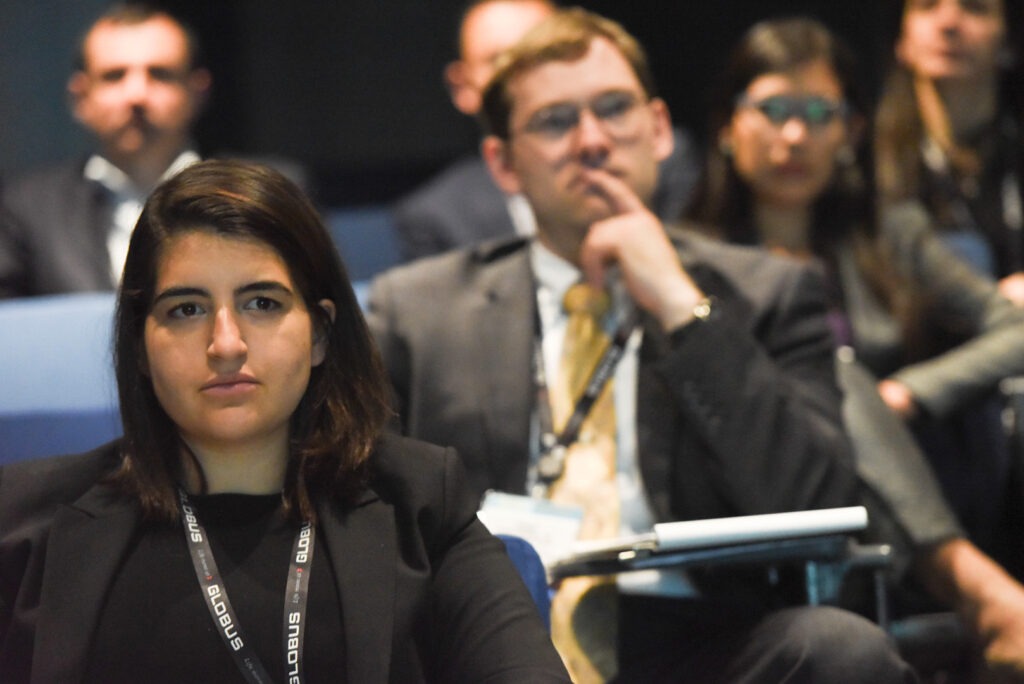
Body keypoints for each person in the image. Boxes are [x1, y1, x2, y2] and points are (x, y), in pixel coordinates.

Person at [369, 9, 913, 682]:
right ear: (502, 163)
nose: (592, 140)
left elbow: (812, 505)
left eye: (614, 108)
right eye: (555, 121)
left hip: (694, 639)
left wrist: (684, 308)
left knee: (841, 651)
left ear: (658, 128)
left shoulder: (768, 294)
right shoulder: (418, 312)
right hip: (492, 635)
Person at [0, 160, 570, 683]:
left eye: (262, 304)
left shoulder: (420, 503)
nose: (226, 344)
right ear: (142, 346)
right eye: (187, 310)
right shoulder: (27, 523)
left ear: (320, 333)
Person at [687, 16, 1024, 679]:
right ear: (729, 125)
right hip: (774, 498)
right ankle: (986, 598)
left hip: (924, 487)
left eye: (819, 113)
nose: (794, 135)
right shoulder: (688, 259)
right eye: (772, 111)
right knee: (828, 372)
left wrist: (909, 392)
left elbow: (1014, 330)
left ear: (852, 131)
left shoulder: (887, 233)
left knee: (847, 379)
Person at [390, 0, 701, 263]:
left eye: (546, 49)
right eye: (501, 60)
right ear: (504, 164)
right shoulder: (434, 217)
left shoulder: (671, 168)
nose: (590, 142)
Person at [0, 2, 210, 299]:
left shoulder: (263, 193)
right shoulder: (26, 209)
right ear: (80, 98)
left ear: (196, 92)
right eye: (114, 76)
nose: (136, 94)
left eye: (160, 74)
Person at [875, 0, 1024, 304]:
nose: (948, 24)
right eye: (927, 6)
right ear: (902, 40)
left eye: (975, 8)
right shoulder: (865, 158)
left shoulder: (1013, 153)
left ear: (1008, 40)